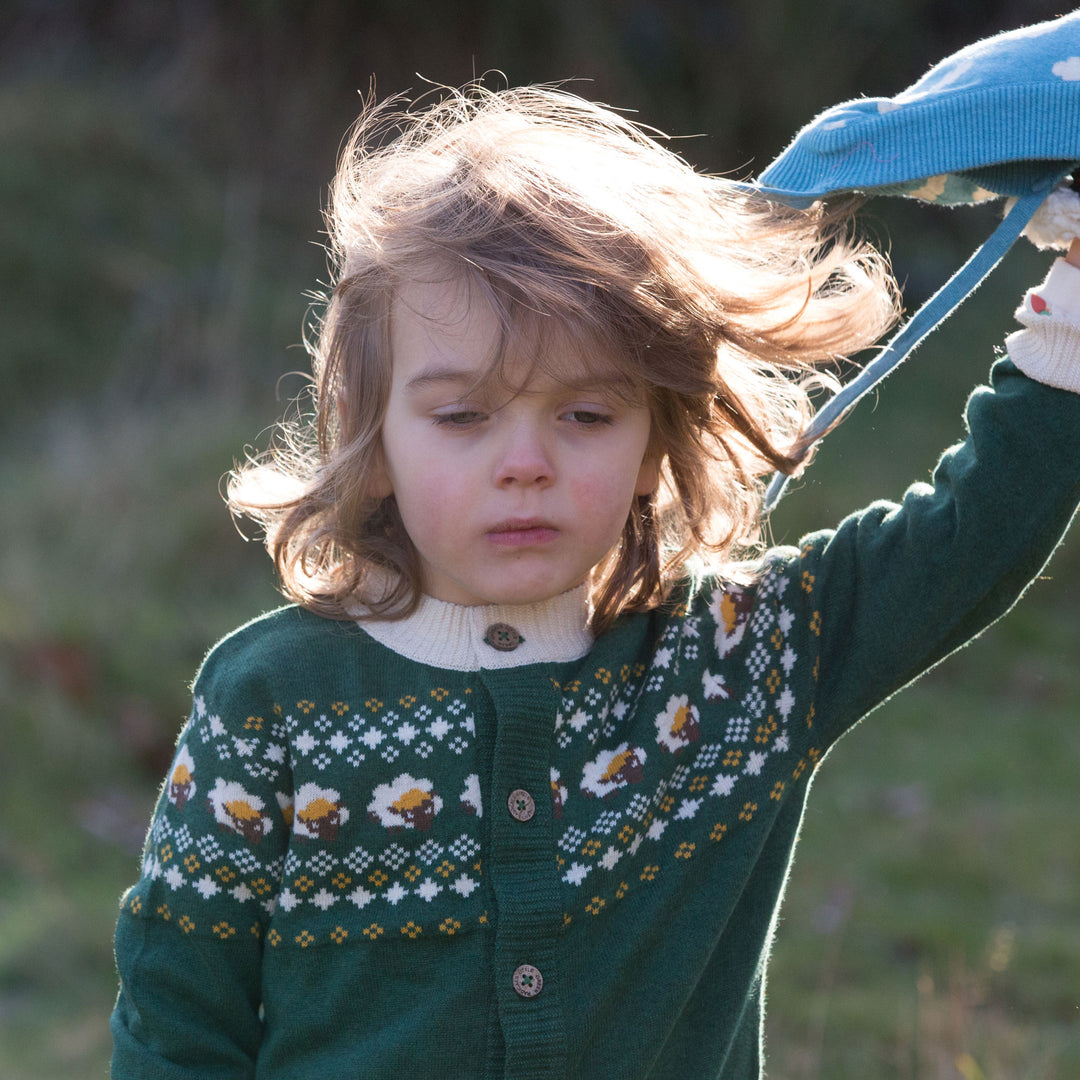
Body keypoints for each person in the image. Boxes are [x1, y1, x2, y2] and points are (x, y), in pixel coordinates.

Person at [109, 84, 1080, 1079]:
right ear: (373, 433)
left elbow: (971, 535)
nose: (525, 462)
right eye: (463, 416)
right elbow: (176, 1022)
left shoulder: (738, 671)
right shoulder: (271, 704)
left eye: (585, 415)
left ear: (657, 436)